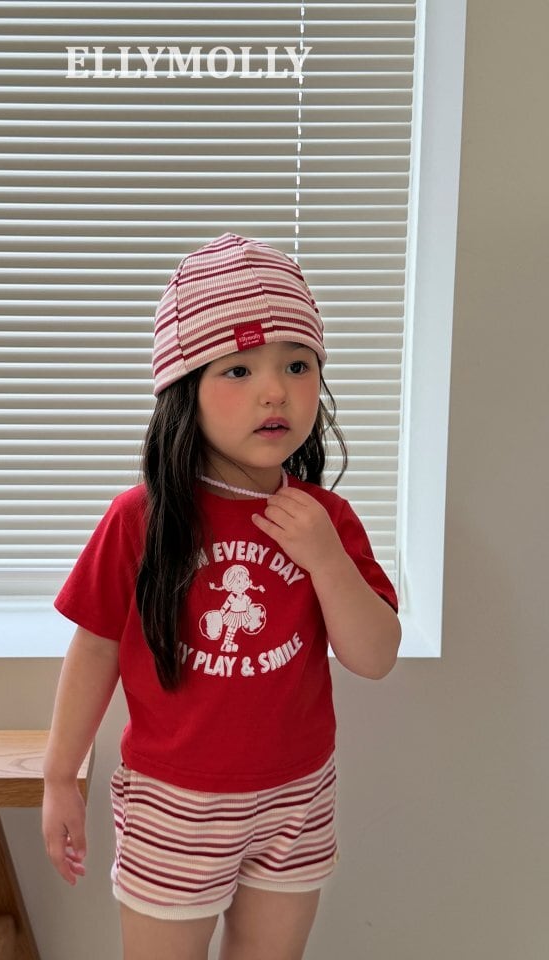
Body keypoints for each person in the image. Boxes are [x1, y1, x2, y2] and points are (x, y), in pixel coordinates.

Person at [42, 232, 401, 960]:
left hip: (296, 797)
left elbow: (375, 656)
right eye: (238, 369)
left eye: (297, 364)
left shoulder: (326, 521)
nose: (275, 391)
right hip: (175, 802)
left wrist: (326, 560)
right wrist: (59, 777)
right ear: (185, 391)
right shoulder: (140, 520)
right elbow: (96, 649)